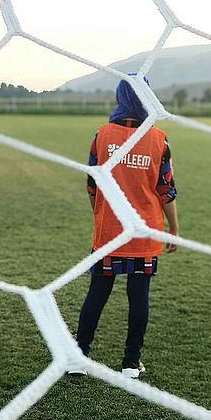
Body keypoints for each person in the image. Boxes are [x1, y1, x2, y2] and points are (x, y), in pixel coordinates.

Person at [70, 76, 179, 379]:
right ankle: (131, 362)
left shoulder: (102, 135)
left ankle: (78, 358)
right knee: (139, 296)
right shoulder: (158, 139)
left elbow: (92, 185)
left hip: (109, 233)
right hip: (144, 232)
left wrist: (100, 216)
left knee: (97, 293)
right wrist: (173, 229)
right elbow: (166, 190)